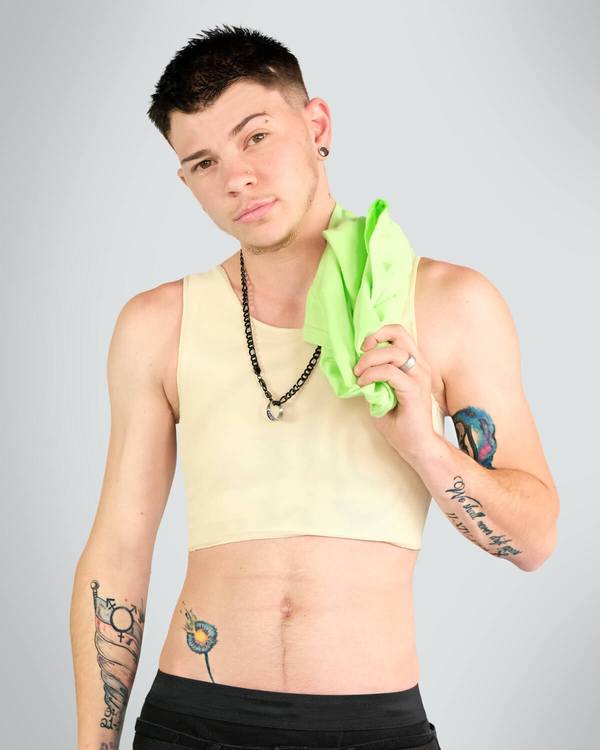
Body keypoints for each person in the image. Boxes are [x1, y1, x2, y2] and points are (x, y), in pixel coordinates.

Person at [69, 24, 560, 750]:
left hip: (372, 728)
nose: (236, 178)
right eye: (203, 162)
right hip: (191, 722)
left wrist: (425, 447)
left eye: (255, 137)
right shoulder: (158, 324)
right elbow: (118, 551)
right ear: (186, 181)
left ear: (317, 126)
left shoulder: (447, 306)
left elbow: (534, 542)